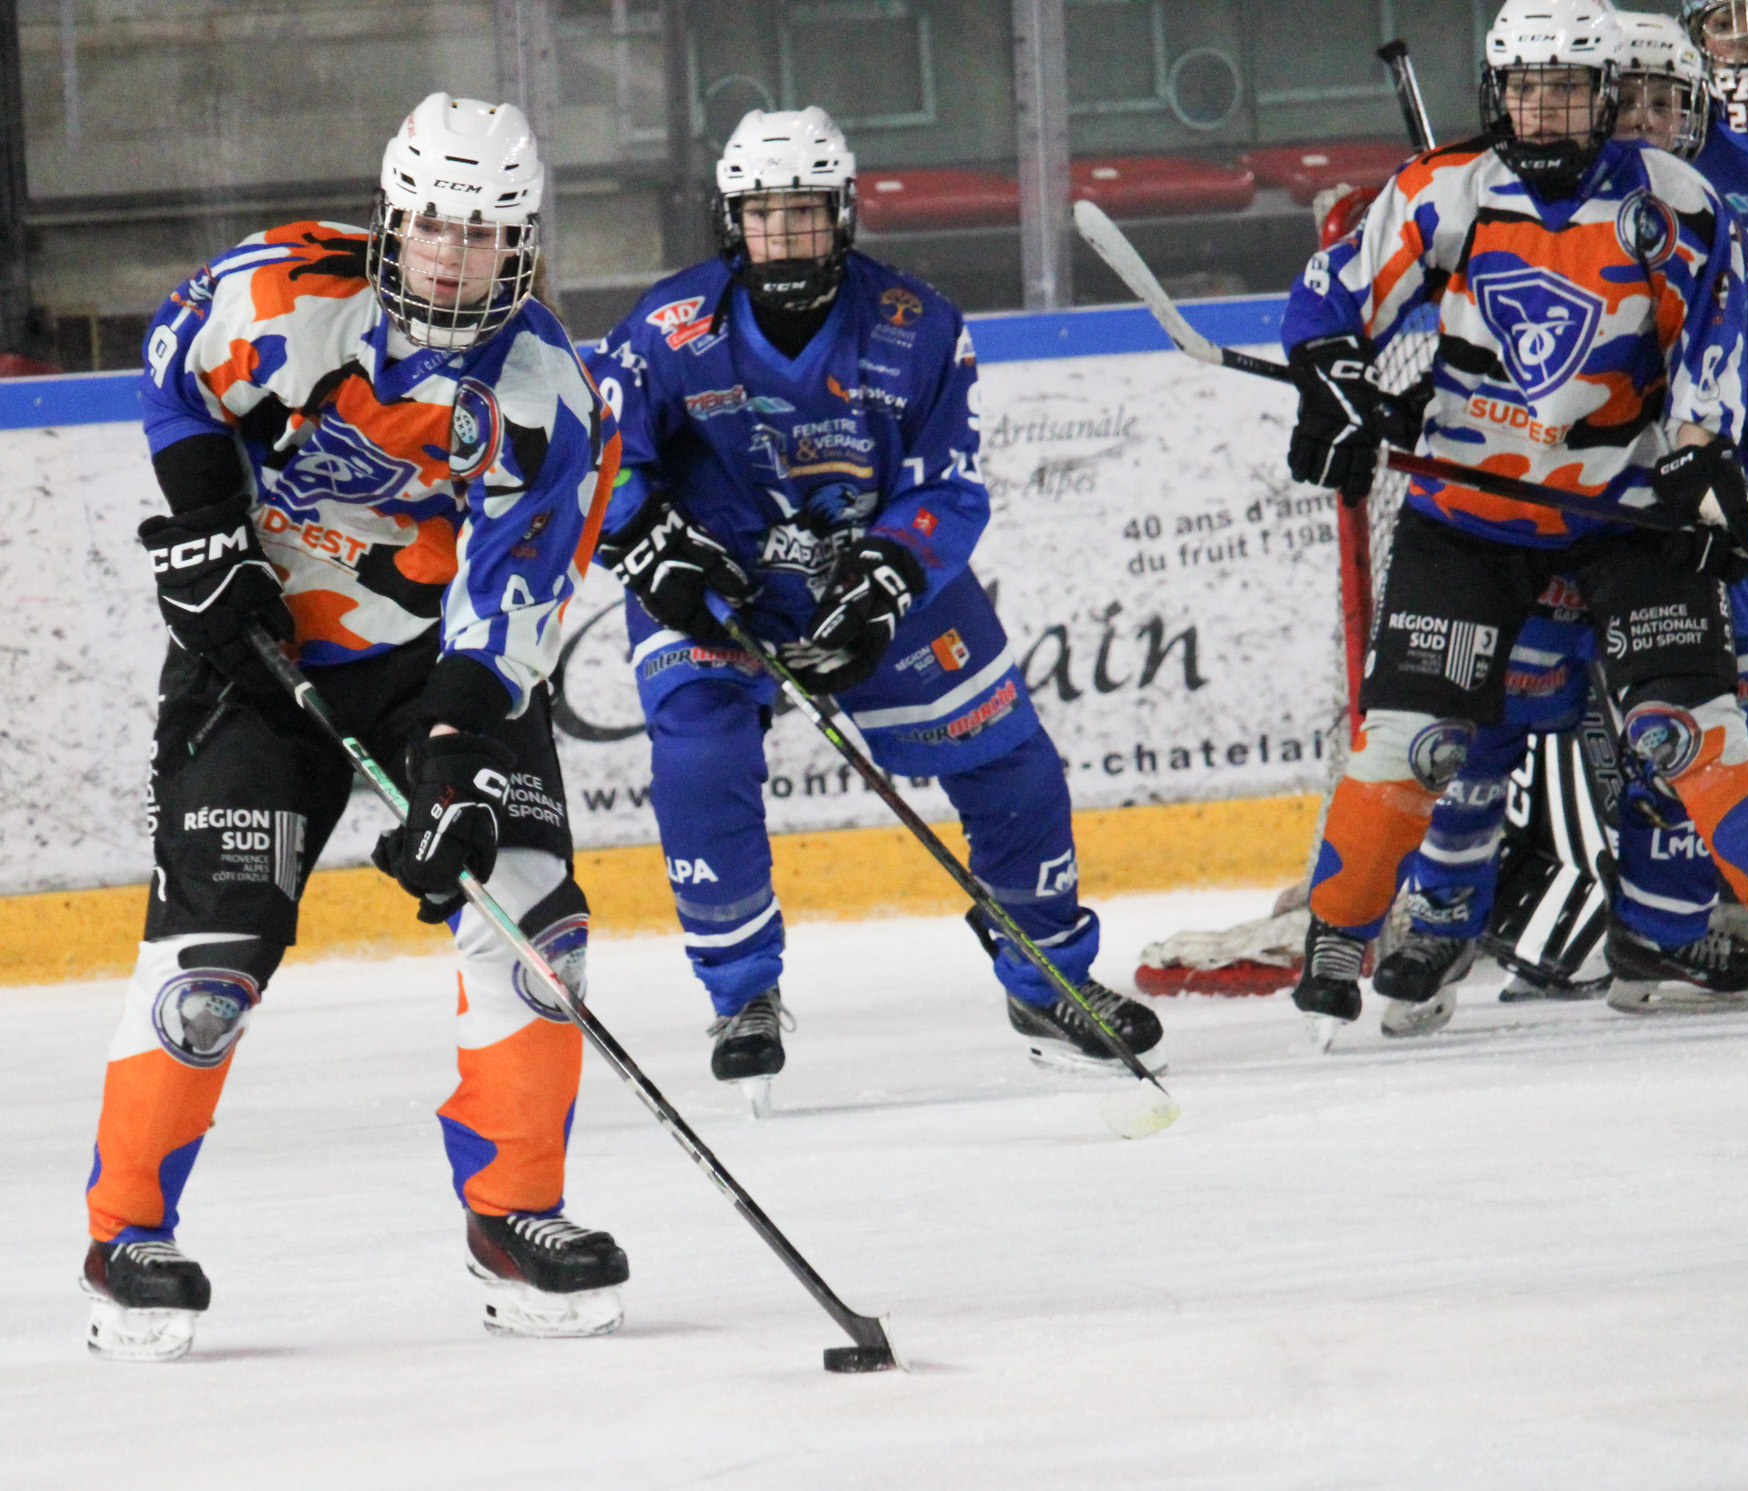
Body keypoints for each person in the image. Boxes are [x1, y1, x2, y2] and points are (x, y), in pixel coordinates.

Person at [83, 94, 625, 1361]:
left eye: (482, 234)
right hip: (255, 654)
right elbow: (176, 372)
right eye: (431, 223)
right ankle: (126, 1239)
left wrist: (455, 766)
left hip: (434, 668)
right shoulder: (280, 289)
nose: (448, 255)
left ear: (522, 246)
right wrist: (204, 531)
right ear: (391, 216)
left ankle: (515, 1216)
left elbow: (511, 609)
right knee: (214, 956)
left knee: (533, 920)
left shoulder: (546, 394)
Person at [1281, 0, 1748, 1046]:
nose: (1542, 111)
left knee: (1685, 728)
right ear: (1495, 93)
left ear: (1603, 99)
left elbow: (1713, 349)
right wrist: (1334, 383)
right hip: (1467, 518)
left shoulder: (1673, 202)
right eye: (1524, 89)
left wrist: (1703, 458)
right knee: (1417, 743)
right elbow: (1335, 298)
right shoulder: (1442, 189)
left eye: (1565, 90)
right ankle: (1339, 938)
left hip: (1624, 515)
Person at [585, 107, 1161, 1101]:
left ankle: (1048, 981)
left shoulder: (914, 324)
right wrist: (650, 547)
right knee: (700, 758)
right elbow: (599, 458)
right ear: (732, 222)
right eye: (763, 216)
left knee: (1011, 762)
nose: (784, 236)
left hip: (868, 570)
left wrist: (886, 583)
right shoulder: (669, 327)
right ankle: (742, 993)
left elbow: (947, 484)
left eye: (804, 213)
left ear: (843, 214)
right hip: (717, 583)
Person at [1397, 6, 1748, 1015]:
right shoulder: (1525, 204)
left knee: (1696, 728)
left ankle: (1663, 927)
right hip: (1543, 526)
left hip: (1673, 532)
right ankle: (1439, 918)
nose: (1646, 120)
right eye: (1632, 99)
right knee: (1481, 718)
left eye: (1666, 101)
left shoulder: (1698, 216)